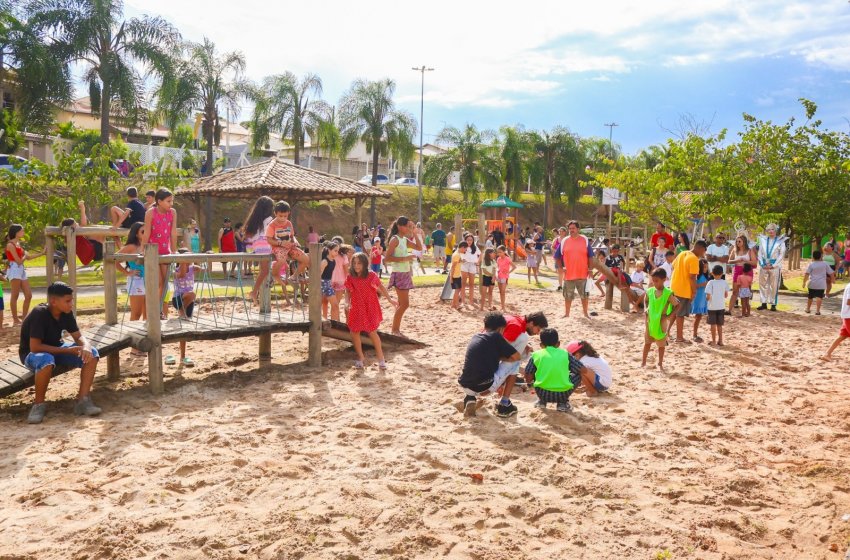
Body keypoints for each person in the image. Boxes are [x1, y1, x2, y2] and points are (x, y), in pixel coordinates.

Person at [20, 282, 101, 424]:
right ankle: (38, 405)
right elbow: (35, 347)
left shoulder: (66, 313)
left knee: (92, 354)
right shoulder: (39, 313)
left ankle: (83, 400)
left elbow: (78, 336)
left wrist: (86, 346)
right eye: (68, 301)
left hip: (56, 349)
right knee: (46, 359)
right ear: (53, 301)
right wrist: (66, 350)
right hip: (32, 355)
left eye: (72, 300)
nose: (71, 304)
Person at [457, 312, 522, 418]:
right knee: (515, 363)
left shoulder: (476, 336)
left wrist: (497, 356)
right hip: (484, 386)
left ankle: (470, 398)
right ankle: (505, 403)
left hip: (465, 384)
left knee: (474, 365)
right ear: (500, 328)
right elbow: (517, 356)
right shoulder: (496, 336)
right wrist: (502, 358)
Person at [344, 252, 397, 369]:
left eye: (359, 263)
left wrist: (390, 299)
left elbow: (381, 287)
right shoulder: (350, 276)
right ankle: (360, 356)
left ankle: (381, 358)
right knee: (354, 331)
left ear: (365, 264)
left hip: (370, 306)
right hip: (357, 307)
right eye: (354, 263)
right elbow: (347, 291)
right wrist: (347, 302)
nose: (356, 266)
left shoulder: (371, 275)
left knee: (372, 332)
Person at [140, 188, 178, 317]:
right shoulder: (151, 212)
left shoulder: (172, 213)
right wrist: (142, 249)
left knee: (165, 283)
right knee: (159, 282)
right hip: (153, 251)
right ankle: (155, 309)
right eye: (168, 201)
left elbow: (173, 232)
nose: (171, 204)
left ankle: (159, 307)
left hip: (165, 251)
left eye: (172, 201)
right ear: (159, 201)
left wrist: (174, 250)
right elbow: (147, 232)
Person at [524, 328, 583, 411]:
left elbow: (528, 377)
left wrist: (531, 381)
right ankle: (562, 403)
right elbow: (583, 370)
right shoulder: (565, 354)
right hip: (563, 393)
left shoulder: (536, 355)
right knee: (579, 375)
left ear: (541, 345)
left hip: (542, 393)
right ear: (558, 344)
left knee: (534, 372)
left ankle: (542, 402)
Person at [384, 216, 421, 337]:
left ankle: (395, 329)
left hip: (405, 273)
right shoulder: (395, 239)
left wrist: (415, 233)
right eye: (407, 226)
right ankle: (394, 330)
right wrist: (405, 258)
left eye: (410, 226)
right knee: (405, 304)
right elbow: (387, 258)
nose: (409, 228)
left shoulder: (404, 239)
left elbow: (419, 248)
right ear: (400, 226)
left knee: (402, 304)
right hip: (399, 273)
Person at [167, 248, 200, 367]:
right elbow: (181, 275)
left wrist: (201, 259)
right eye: (186, 258)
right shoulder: (175, 271)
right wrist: (183, 261)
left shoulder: (192, 268)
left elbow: (202, 268)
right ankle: (181, 311)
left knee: (183, 330)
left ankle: (183, 356)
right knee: (191, 294)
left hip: (189, 302)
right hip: (178, 300)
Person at [669, 240, 707, 343]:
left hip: (674, 286)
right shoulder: (694, 259)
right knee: (680, 314)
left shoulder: (682, 253)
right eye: (704, 251)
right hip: (683, 289)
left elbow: (673, 266)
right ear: (700, 249)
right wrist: (694, 292)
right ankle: (679, 337)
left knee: (674, 312)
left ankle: (667, 332)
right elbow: (692, 277)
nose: (703, 254)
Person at [267, 201, 309, 290]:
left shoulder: (289, 223)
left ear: (288, 213)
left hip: (290, 247)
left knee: (306, 259)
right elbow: (269, 239)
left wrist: (295, 241)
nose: (282, 218)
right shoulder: (272, 225)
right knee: (282, 261)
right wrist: (280, 243)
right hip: (278, 247)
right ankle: (274, 274)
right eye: (280, 216)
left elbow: (292, 236)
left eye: (285, 216)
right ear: (275, 213)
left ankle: (293, 277)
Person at [6, 224, 43, 325]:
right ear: (16, 232)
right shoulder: (10, 245)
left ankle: (25, 318)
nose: (23, 232)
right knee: (15, 295)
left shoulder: (18, 244)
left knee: (28, 295)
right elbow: (18, 261)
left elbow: (28, 257)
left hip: (21, 269)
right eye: (22, 231)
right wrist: (25, 256)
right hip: (14, 269)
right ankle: (15, 319)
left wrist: (42, 253)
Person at [642, 268, 678, 369]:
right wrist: (645, 309)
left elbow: (677, 305)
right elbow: (646, 300)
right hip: (650, 322)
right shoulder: (650, 291)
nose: (654, 283)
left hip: (661, 323)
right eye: (653, 280)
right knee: (647, 343)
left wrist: (668, 316)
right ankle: (643, 362)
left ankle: (660, 363)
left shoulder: (668, 293)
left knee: (661, 345)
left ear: (664, 280)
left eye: (657, 281)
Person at [243, 196, 275, 306]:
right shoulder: (270, 220)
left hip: (257, 245)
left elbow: (250, 236)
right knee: (265, 270)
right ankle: (255, 291)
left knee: (264, 270)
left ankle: (257, 293)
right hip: (266, 244)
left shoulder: (254, 219)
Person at [561, 220, 594, 319]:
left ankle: (585, 314)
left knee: (585, 296)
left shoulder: (585, 240)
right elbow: (557, 256)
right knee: (567, 296)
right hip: (568, 274)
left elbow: (590, 256)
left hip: (583, 273)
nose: (571, 230)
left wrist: (590, 270)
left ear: (578, 229)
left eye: (573, 228)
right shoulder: (564, 241)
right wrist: (561, 267)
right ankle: (567, 314)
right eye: (570, 228)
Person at [115, 222, 147, 322]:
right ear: (136, 234)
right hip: (137, 280)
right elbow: (114, 260)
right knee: (137, 314)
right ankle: (132, 335)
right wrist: (127, 272)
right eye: (143, 231)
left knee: (149, 314)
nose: (146, 233)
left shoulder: (149, 245)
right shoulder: (131, 247)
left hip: (149, 280)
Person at [757, 224, 786, 311]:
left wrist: (774, 265)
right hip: (764, 265)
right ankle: (763, 303)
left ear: (775, 230)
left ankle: (773, 304)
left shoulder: (781, 241)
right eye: (769, 229)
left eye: (772, 229)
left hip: (774, 266)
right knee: (762, 284)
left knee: (774, 285)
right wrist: (762, 264)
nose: (770, 231)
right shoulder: (763, 240)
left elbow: (781, 254)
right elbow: (759, 253)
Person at [820, 280, 850, 361]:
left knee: (842, 336)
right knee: (842, 336)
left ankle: (827, 354)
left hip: (846, 315)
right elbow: (849, 301)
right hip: (848, 316)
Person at [727, 234, 757, 315]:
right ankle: (729, 310)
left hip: (747, 271)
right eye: (736, 241)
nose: (737, 243)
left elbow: (754, 262)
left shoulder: (749, 251)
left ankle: (746, 312)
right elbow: (729, 261)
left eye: (739, 241)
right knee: (735, 291)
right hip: (737, 270)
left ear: (744, 242)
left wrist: (745, 261)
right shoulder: (734, 250)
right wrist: (737, 261)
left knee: (746, 292)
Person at [803, 250, 833, 315]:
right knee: (819, 297)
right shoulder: (825, 264)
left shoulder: (811, 264)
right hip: (821, 284)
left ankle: (808, 309)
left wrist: (804, 282)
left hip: (812, 283)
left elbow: (807, 274)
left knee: (810, 297)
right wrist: (833, 279)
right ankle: (817, 311)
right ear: (821, 256)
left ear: (813, 257)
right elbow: (831, 273)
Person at [705, 265, 728, 346]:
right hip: (721, 306)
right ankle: (720, 340)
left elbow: (708, 296)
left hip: (712, 306)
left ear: (712, 273)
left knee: (713, 324)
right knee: (719, 325)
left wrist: (707, 300)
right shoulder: (724, 282)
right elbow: (726, 295)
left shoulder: (710, 282)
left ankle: (714, 341)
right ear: (722, 273)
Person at [331, 243, 352, 321]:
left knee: (333, 303)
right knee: (337, 303)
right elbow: (346, 270)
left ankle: (335, 319)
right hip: (340, 281)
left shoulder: (332, 255)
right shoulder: (344, 257)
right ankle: (337, 320)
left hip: (331, 280)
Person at [690, 259, 710, 343]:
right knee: (698, 316)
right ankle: (694, 334)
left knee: (699, 316)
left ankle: (695, 333)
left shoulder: (705, 276)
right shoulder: (697, 276)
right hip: (697, 298)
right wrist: (703, 285)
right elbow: (694, 285)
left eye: (707, 267)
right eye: (704, 267)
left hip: (702, 298)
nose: (706, 269)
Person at [461, 233, 479, 305]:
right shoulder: (462, 247)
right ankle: (463, 301)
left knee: (471, 284)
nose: (469, 241)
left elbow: (480, 255)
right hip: (464, 265)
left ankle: (471, 301)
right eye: (468, 240)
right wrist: (462, 260)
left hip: (472, 265)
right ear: (465, 240)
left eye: (471, 240)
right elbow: (458, 253)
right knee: (463, 283)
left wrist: (477, 262)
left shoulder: (475, 247)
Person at [496, 245, 515, 311]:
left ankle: (503, 307)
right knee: (501, 291)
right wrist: (498, 271)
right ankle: (502, 306)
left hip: (504, 277)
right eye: (498, 252)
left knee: (503, 292)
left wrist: (508, 272)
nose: (499, 254)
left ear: (504, 252)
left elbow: (514, 267)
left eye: (500, 252)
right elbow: (498, 267)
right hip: (499, 276)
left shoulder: (507, 259)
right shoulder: (498, 259)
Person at [449, 241, 467, 309]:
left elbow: (456, 263)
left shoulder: (457, 254)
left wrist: (462, 261)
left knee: (458, 289)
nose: (465, 250)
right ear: (462, 247)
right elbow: (453, 267)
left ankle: (454, 304)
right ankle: (455, 305)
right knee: (457, 290)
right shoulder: (457, 255)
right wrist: (451, 277)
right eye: (465, 249)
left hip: (457, 275)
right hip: (455, 276)